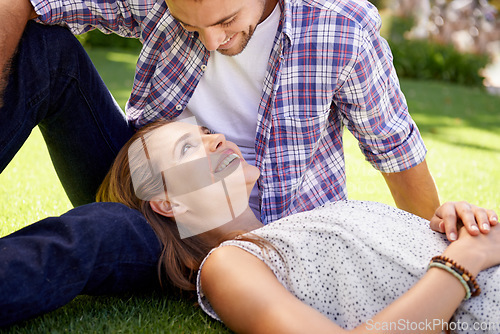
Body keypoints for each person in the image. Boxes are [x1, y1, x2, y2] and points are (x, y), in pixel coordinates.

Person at [1, 0, 491, 238]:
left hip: (268, 234)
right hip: (153, 197)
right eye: (191, 25)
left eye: (224, 21)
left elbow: (395, 149)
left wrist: (432, 243)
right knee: (47, 48)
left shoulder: (338, 28)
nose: (210, 42)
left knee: (93, 236)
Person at [94, 119, 499, 333]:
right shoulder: (227, 266)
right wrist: (462, 262)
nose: (215, 139)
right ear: (169, 202)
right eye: (188, 148)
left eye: (203, 131)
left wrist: (450, 226)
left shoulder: (295, 226)